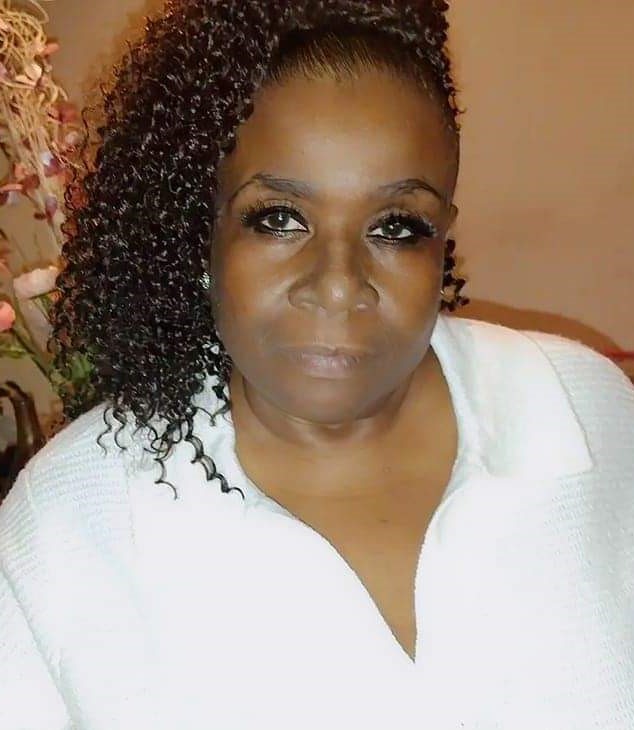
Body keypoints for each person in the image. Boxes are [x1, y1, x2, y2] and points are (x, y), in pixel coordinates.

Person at [1, 1, 633, 728]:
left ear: (442, 238)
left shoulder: (586, 413)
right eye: (278, 218)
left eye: (397, 227)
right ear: (202, 231)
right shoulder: (73, 521)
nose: (338, 284)